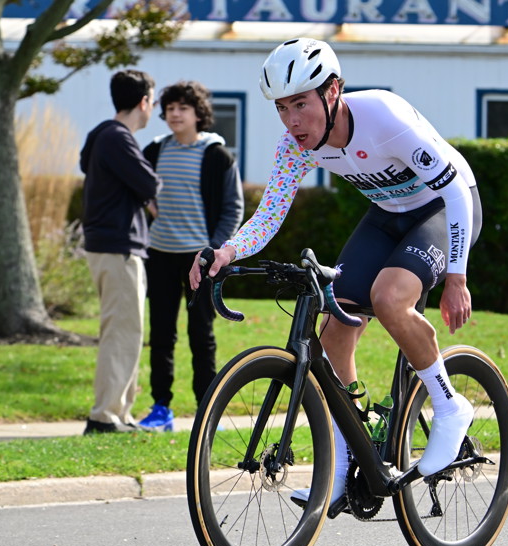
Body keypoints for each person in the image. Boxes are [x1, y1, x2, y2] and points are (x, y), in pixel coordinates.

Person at [189, 38, 484, 509]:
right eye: (281, 108)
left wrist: (457, 277)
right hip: (388, 213)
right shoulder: (295, 146)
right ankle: (347, 463)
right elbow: (269, 215)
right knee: (334, 329)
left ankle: (450, 405)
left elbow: (453, 193)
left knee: (389, 297)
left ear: (332, 92)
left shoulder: (384, 116)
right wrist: (227, 252)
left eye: (300, 104)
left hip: (446, 206)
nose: (291, 120)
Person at [137, 81, 244, 432]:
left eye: (182, 108)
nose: (175, 114)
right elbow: (137, 187)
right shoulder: (155, 151)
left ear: (199, 114)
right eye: (169, 108)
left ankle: (206, 410)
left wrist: (213, 249)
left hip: (200, 259)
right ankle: (160, 409)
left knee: (201, 335)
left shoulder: (217, 155)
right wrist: (148, 205)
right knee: (161, 334)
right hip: (160, 254)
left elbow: (233, 208)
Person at [80, 69, 162, 434]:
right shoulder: (117, 137)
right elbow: (150, 183)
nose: (153, 109)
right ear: (143, 102)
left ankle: (121, 413)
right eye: (153, 102)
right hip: (118, 249)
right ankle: (104, 416)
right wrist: (147, 193)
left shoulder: (101, 134)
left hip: (111, 248)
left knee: (127, 330)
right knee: (122, 332)